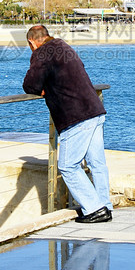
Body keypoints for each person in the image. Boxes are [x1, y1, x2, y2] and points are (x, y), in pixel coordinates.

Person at [22, 24, 112, 223]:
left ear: (31, 42)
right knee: (97, 163)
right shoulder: (64, 46)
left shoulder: (42, 53)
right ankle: (105, 204)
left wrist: (42, 83)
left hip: (76, 115)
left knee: (67, 166)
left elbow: (30, 84)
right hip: (94, 110)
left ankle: (95, 209)